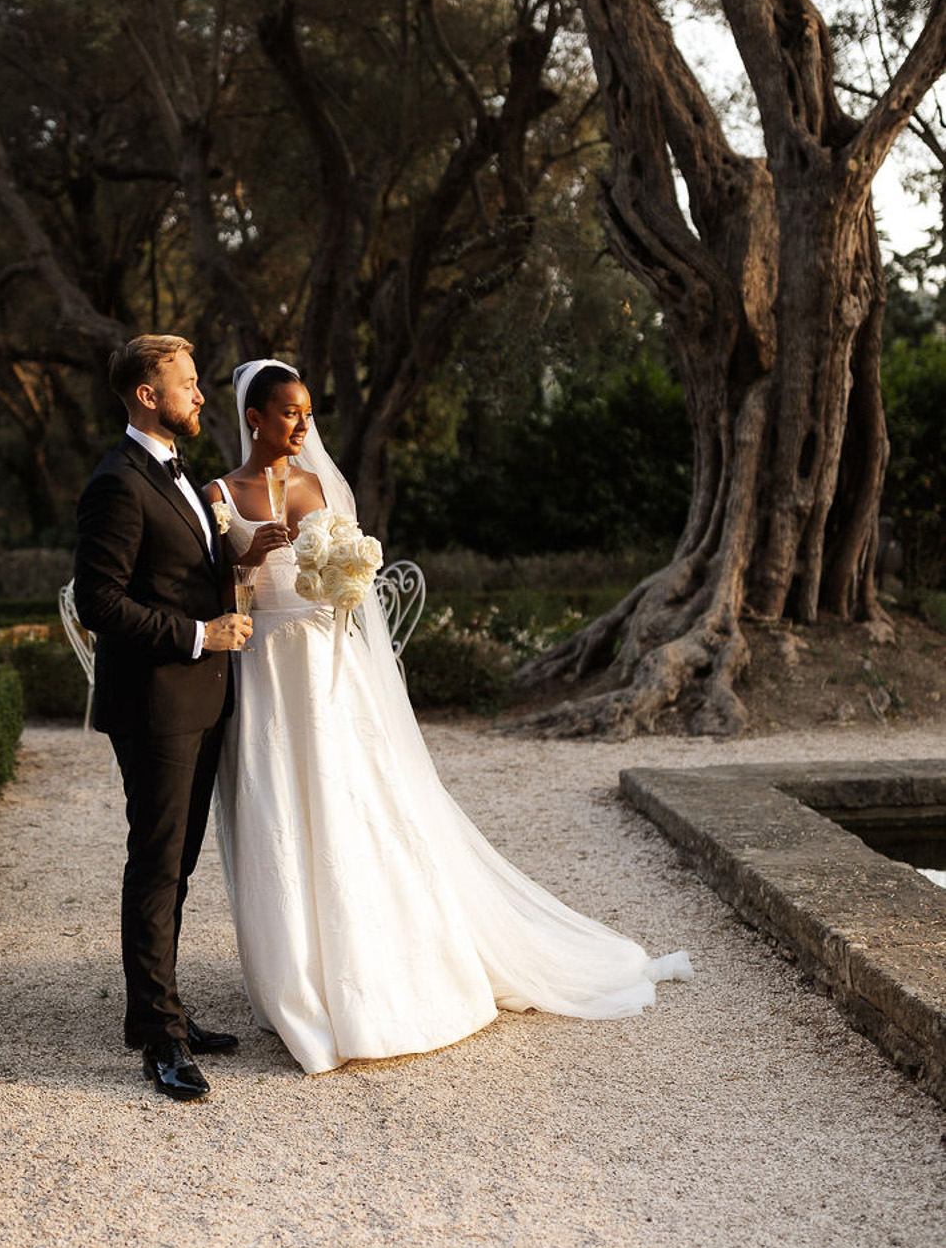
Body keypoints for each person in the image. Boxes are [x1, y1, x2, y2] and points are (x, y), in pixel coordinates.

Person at [205, 358, 692, 1077]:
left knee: (351, 810)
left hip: (324, 670)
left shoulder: (313, 485)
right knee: (276, 810)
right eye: (287, 413)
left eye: (307, 412)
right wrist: (245, 557)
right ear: (253, 417)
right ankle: (296, 984)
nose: (302, 425)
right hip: (264, 669)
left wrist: (339, 579)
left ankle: (378, 967)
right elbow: (218, 590)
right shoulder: (218, 493)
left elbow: (349, 587)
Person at [74, 335, 252, 1102]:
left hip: (202, 698)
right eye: (186, 383)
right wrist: (197, 635)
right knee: (155, 866)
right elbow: (98, 603)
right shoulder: (116, 483)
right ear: (147, 395)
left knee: (175, 865)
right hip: (155, 702)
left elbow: (187, 573)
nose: (200, 394)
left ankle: (159, 1013)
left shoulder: (177, 475)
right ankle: (161, 1041)